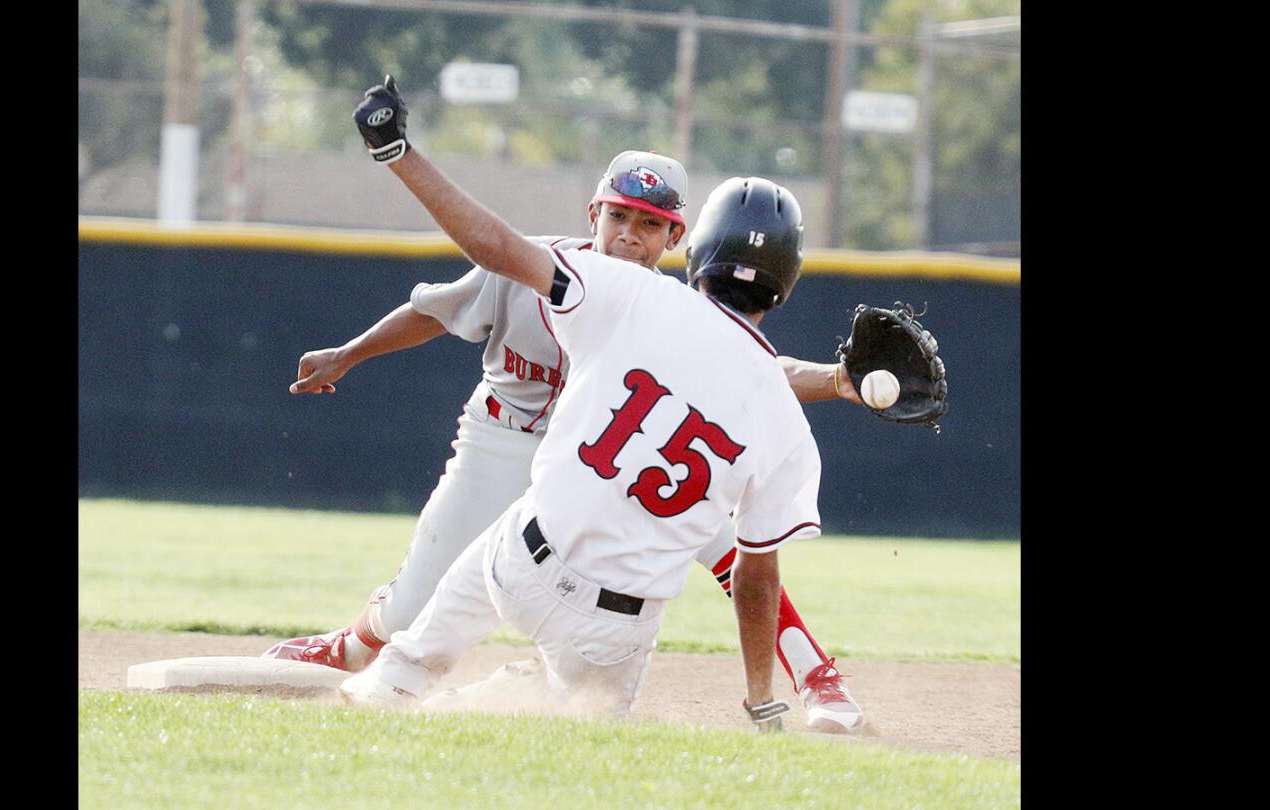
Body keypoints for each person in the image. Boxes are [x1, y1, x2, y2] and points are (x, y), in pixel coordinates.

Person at [272, 80, 861, 732]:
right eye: (618, 217)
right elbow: (434, 308)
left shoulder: (664, 307)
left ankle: (818, 678)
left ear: (676, 236)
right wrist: (350, 352)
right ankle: (353, 645)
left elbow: (754, 373)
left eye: (649, 224)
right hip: (508, 438)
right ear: (593, 216)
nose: (630, 236)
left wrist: (836, 378)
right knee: (416, 603)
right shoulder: (548, 269)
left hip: (602, 469)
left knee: (728, 547)